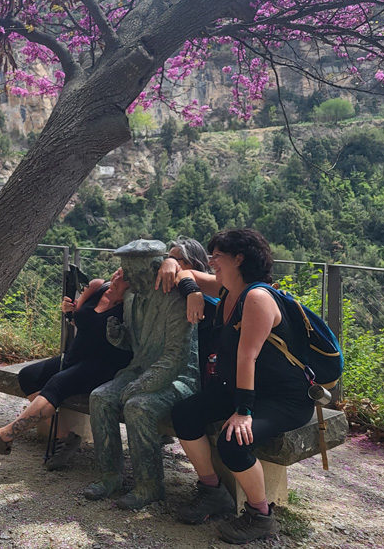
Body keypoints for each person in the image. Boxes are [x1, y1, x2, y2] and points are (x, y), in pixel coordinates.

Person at [169, 228, 312, 544]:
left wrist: (243, 411)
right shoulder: (226, 290)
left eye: (217, 256)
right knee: (184, 414)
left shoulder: (258, 297)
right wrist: (190, 288)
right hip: (240, 387)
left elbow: (248, 356)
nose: (212, 262)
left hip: (283, 398)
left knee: (233, 441)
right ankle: (212, 491)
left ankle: (261, 515)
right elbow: (184, 271)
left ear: (239, 258)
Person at [0, 268, 133, 470]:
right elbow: (76, 317)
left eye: (124, 277)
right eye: (118, 271)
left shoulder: (132, 308)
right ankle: (66, 437)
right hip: (75, 356)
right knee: (29, 376)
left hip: (102, 366)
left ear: (134, 285)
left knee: (57, 383)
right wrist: (68, 309)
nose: (116, 276)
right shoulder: (97, 286)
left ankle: (4, 436)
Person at [82, 240, 198, 510]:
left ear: (155, 268)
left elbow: (176, 357)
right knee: (99, 398)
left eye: (134, 272)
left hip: (178, 378)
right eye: (126, 271)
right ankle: (109, 475)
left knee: (138, 406)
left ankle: (150, 485)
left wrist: (142, 384)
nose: (127, 278)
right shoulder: (132, 297)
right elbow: (135, 344)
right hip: (140, 369)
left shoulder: (176, 299)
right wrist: (118, 336)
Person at [156, 236, 219, 383]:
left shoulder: (212, 300)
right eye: (167, 259)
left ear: (193, 263)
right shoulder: (172, 293)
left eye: (174, 260)